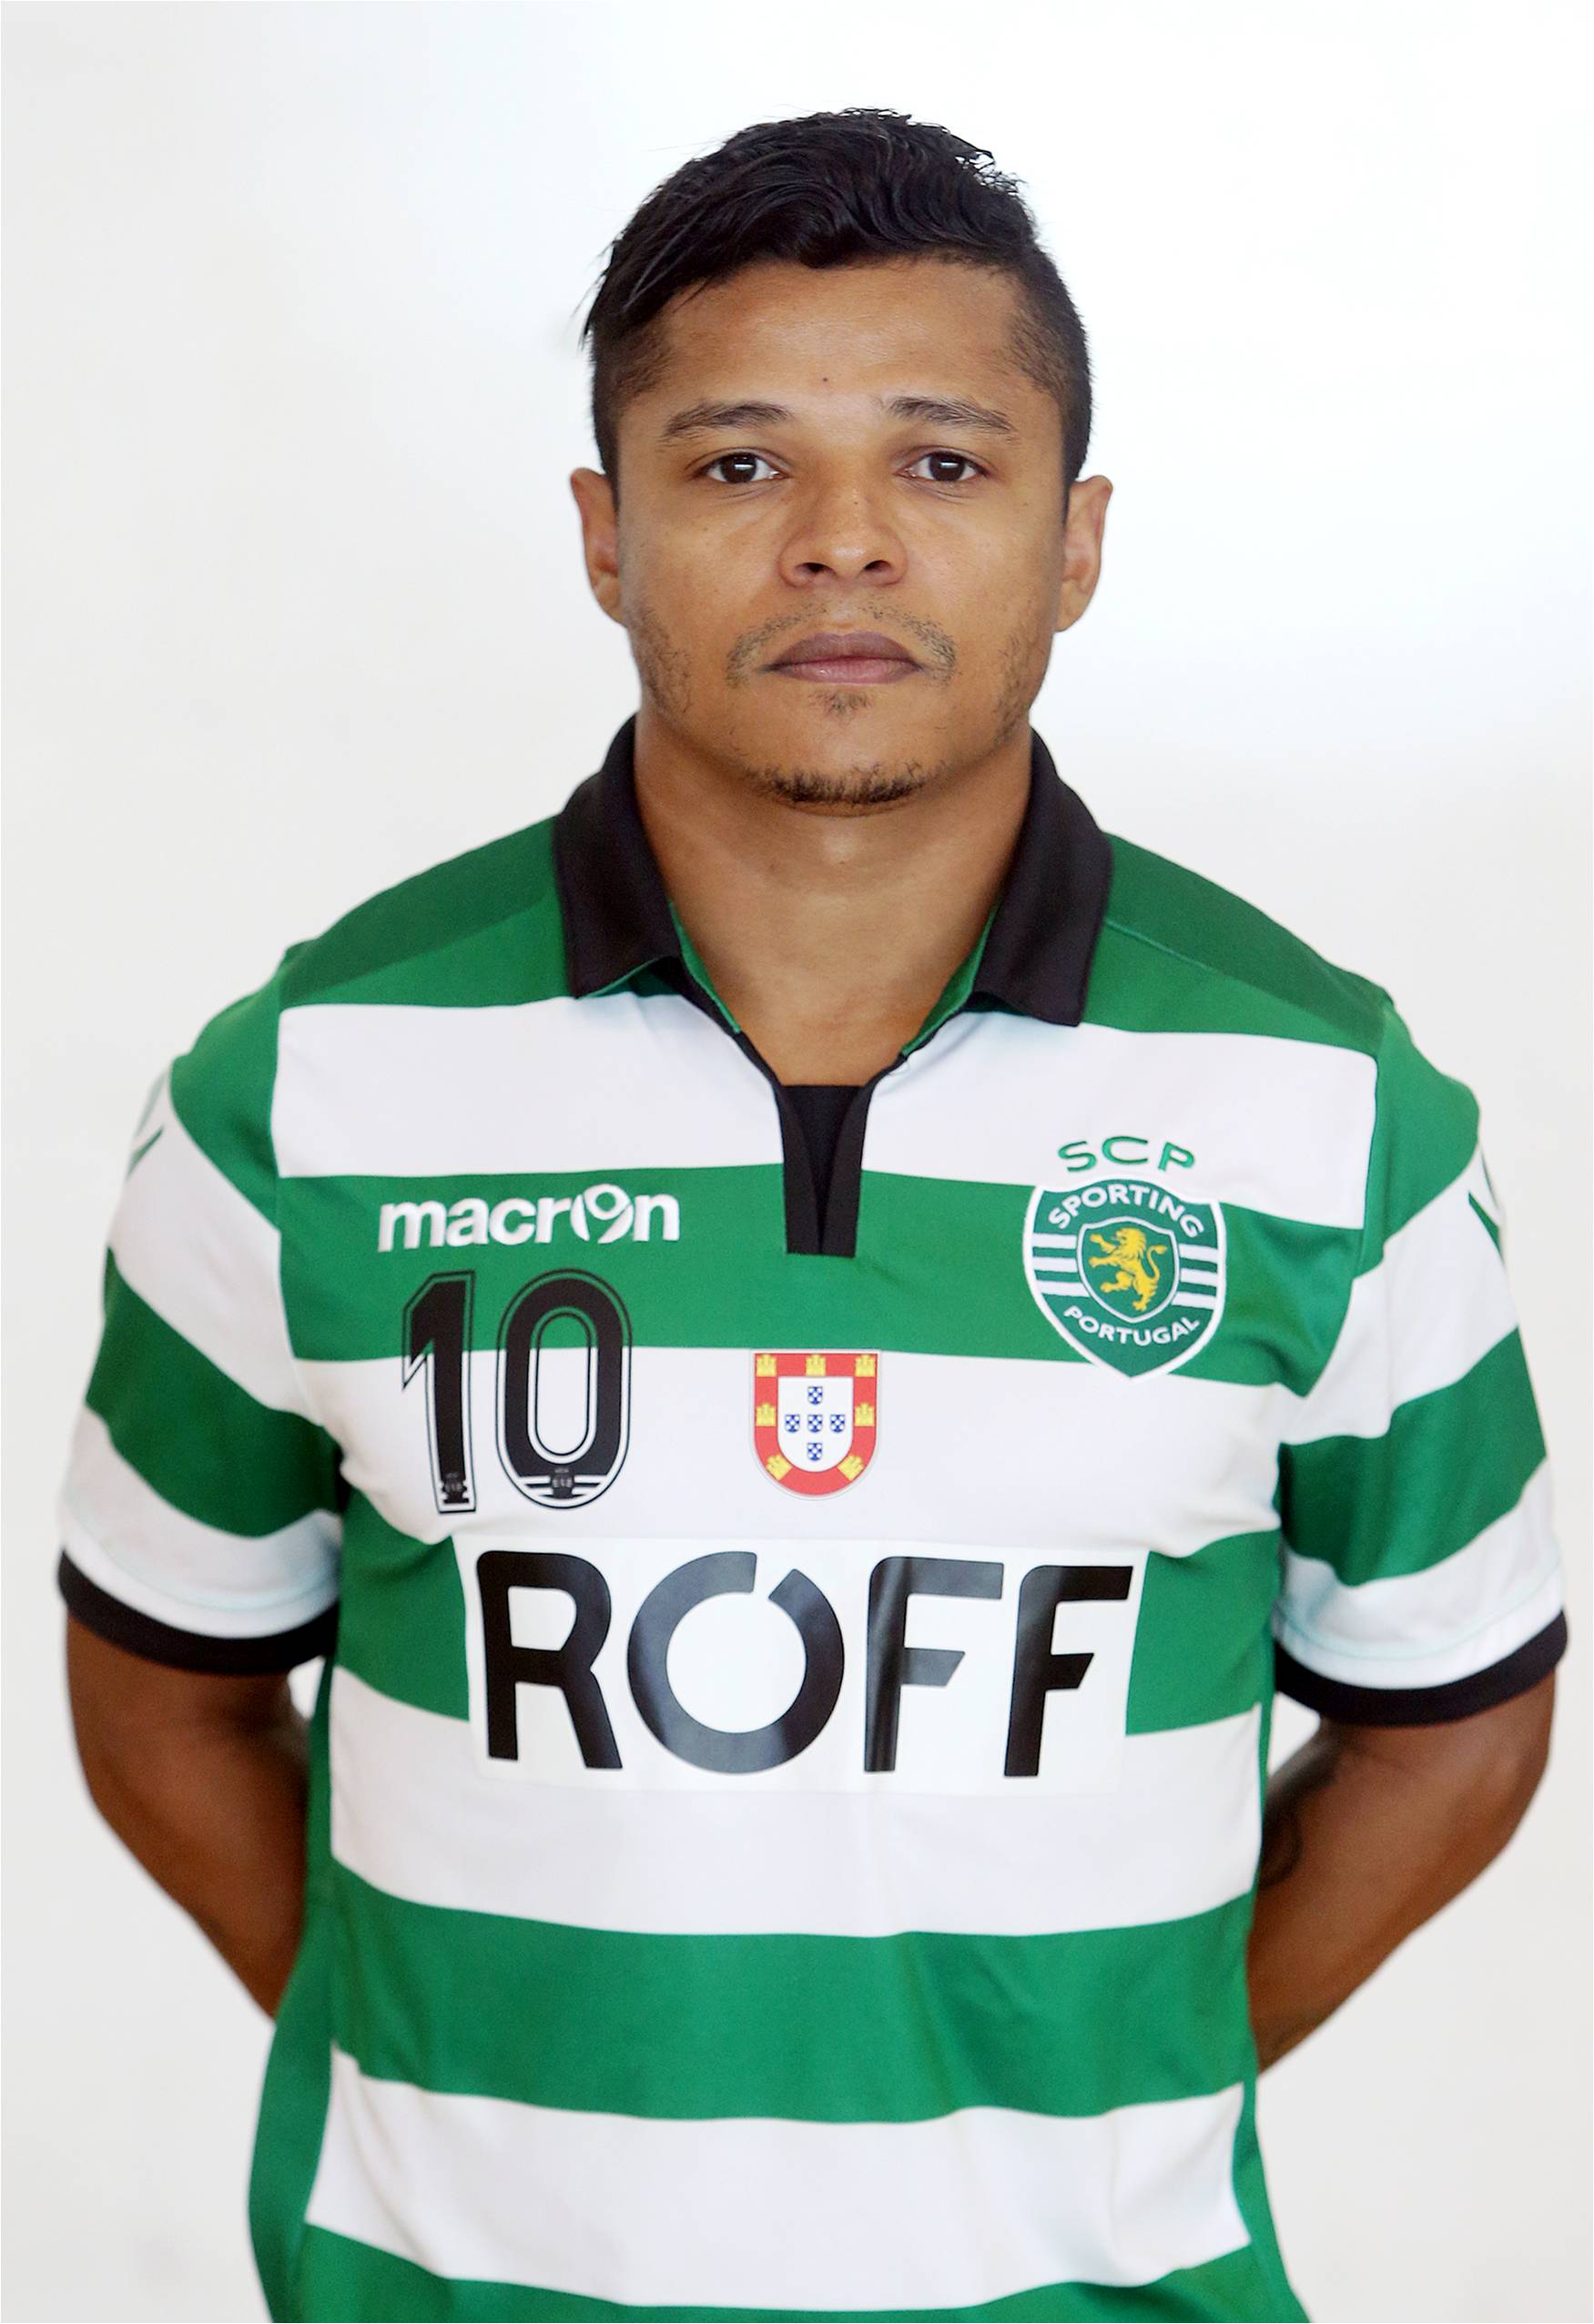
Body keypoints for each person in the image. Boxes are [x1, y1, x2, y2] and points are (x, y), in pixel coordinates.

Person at [60, 107, 1566, 2324]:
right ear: (606, 532)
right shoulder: (302, 1088)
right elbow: (161, 1680)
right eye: (740, 461)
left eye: (943, 462)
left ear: (1077, 538)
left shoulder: (1335, 1114)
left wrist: (1112, 2084)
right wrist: (453, 2078)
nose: (843, 541)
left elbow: (1453, 1717)